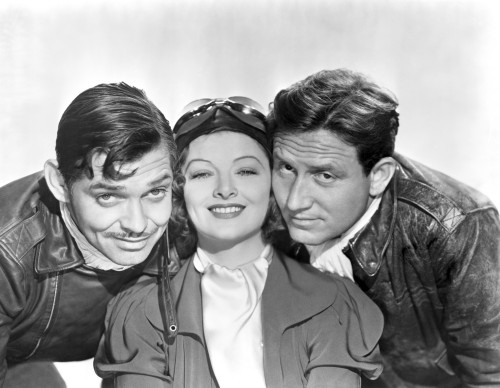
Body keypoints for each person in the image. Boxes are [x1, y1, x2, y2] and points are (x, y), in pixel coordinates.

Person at [94, 97, 384, 387]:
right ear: (179, 191)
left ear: (273, 185)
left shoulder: (332, 303)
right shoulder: (142, 309)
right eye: (202, 173)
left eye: (245, 171)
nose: (225, 190)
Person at [267, 68, 500, 387]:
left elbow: (489, 375)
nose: (294, 202)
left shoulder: (458, 224)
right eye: (287, 168)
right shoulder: (258, 204)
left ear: (378, 176)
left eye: (325, 176)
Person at [0, 82, 179, 388]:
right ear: (59, 183)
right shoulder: (7, 252)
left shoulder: (188, 223)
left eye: (155, 191)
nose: (137, 225)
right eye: (108, 196)